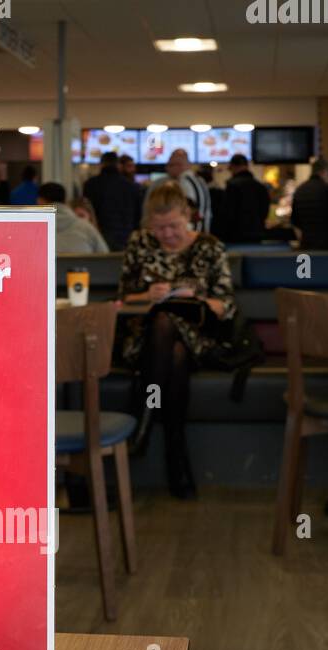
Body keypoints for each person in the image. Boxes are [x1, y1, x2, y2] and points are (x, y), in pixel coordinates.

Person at [118, 180, 239, 499]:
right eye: (159, 229)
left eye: (173, 226)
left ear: (188, 215)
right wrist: (147, 294)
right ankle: (176, 455)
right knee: (171, 347)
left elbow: (225, 304)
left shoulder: (210, 246)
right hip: (144, 339)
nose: (167, 235)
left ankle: (142, 421)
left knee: (168, 326)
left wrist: (197, 298)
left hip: (200, 335)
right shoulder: (139, 243)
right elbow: (122, 298)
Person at [82, 151, 142, 251]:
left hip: (99, 234)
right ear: (118, 165)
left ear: (101, 164)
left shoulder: (90, 184)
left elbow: (87, 210)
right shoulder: (131, 186)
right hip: (125, 236)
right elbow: (138, 215)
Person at [37, 182, 108, 254]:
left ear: (40, 201)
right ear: (64, 201)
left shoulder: (32, 229)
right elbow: (105, 257)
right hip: (81, 265)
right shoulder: (86, 228)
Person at [214, 154, 270, 245]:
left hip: (235, 236)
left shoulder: (232, 186)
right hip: (257, 234)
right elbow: (264, 211)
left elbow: (227, 213)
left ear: (233, 166)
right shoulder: (260, 186)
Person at [290, 157, 328, 250]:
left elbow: (294, 220)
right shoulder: (327, 189)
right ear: (323, 171)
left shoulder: (300, 190)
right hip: (326, 245)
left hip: (306, 244)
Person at [165, 148, 211, 234]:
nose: (167, 169)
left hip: (192, 233)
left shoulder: (184, 181)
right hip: (203, 229)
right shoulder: (199, 179)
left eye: (170, 165)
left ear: (180, 165)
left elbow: (187, 210)